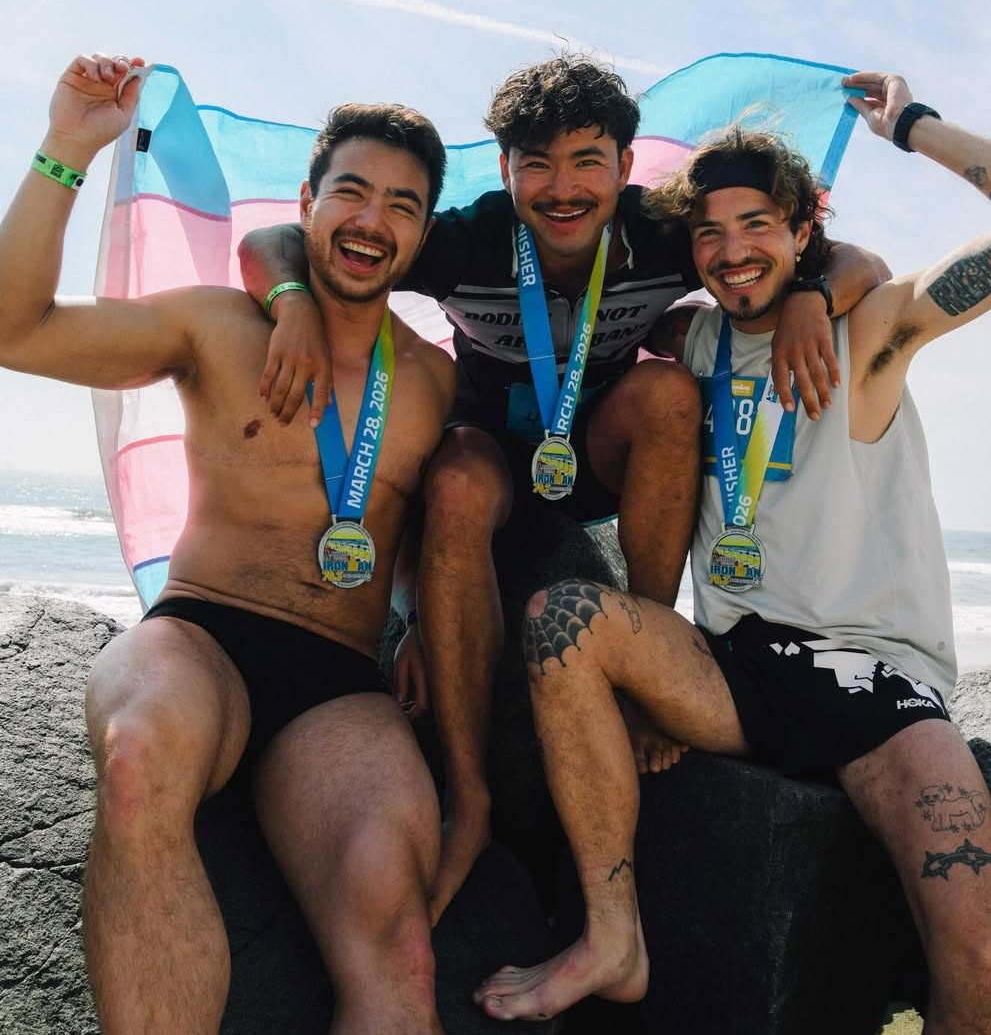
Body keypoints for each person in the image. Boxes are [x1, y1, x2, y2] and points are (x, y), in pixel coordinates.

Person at [473, 71, 991, 1033]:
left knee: (980, 949)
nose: (730, 251)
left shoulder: (872, 330)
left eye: (757, 225)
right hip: (739, 664)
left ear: (804, 230)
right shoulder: (695, 341)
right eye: (709, 233)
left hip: (875, 683)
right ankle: (612, 934)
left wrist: (911, 128)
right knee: (564, 623)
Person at [239, 54, 888, 924]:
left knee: (667, 394)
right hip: (493, 458)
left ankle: (650, 666)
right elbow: (281, 241)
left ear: (626, 167)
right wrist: (288, 302)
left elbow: (859, 259)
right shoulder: (467, 236)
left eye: (588, 159)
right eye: (535, 162)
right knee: (460, 482)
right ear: (505, 169)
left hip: (599, 452)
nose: (562, 186)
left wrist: (811, 294)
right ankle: (469, 801)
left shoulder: (658, 234)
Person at [0, 53, 457, 1034]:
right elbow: (16, 328)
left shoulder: (428, 381)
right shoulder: (218, 326)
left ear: (422, 233)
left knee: (400, 945)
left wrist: (418, 613)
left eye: (404, 205)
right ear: (308, 201)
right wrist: (65, 147)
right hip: (200, 635)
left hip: (339, 683)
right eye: (353, 192)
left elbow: (418, 523)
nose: (373, 220)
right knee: (138, 761)